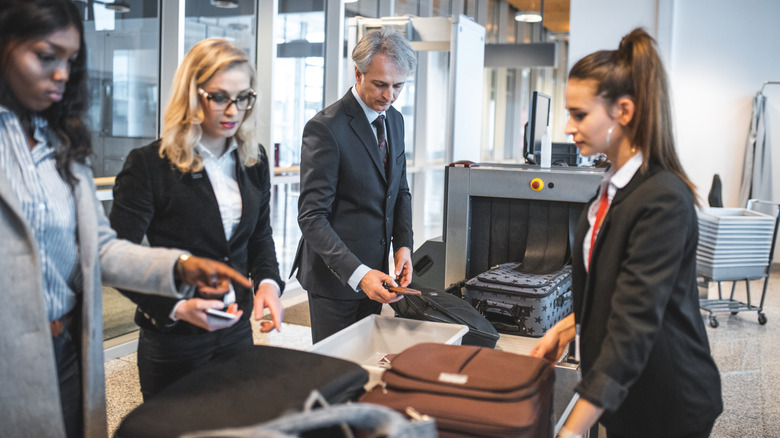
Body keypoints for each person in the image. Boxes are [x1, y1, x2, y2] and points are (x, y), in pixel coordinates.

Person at [0, 1, 254, 437]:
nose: (62, 73)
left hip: (69, 348)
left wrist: (179, 267)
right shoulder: (149, 163)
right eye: (46, 57)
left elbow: (101, 247)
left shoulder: (61, 141)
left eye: (71, 60)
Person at [529, 28, 722, 438]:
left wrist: (571, 430)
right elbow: (616, 284)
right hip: (626, 391)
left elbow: (634, 322)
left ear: (625, 111)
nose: (567, 127)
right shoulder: (615, 184)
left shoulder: (662, 200)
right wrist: (566, 328)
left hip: (667, 400)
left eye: (579, 114)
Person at [109, 38, 284, 400]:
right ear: (193, 94)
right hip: (175, 338)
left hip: (236, 326)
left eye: (243, 97)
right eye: (219, 97)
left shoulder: (254, 159)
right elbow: (115, 257)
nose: (233, 110)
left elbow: (259, 236)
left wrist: (268, 282)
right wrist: (175, 307)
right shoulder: (149, 165)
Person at [292, 29, 415, 343]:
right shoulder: (326, 128)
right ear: (358, 74)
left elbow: (399, 190)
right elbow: (311, 217)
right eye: (380, 84)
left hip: (379, 274)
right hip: (336, 278)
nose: (390, 96)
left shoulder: (395, 121)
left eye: (398, 86)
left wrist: (403, 246)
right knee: (334, 373)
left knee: (365, 366)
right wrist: (359, 275)